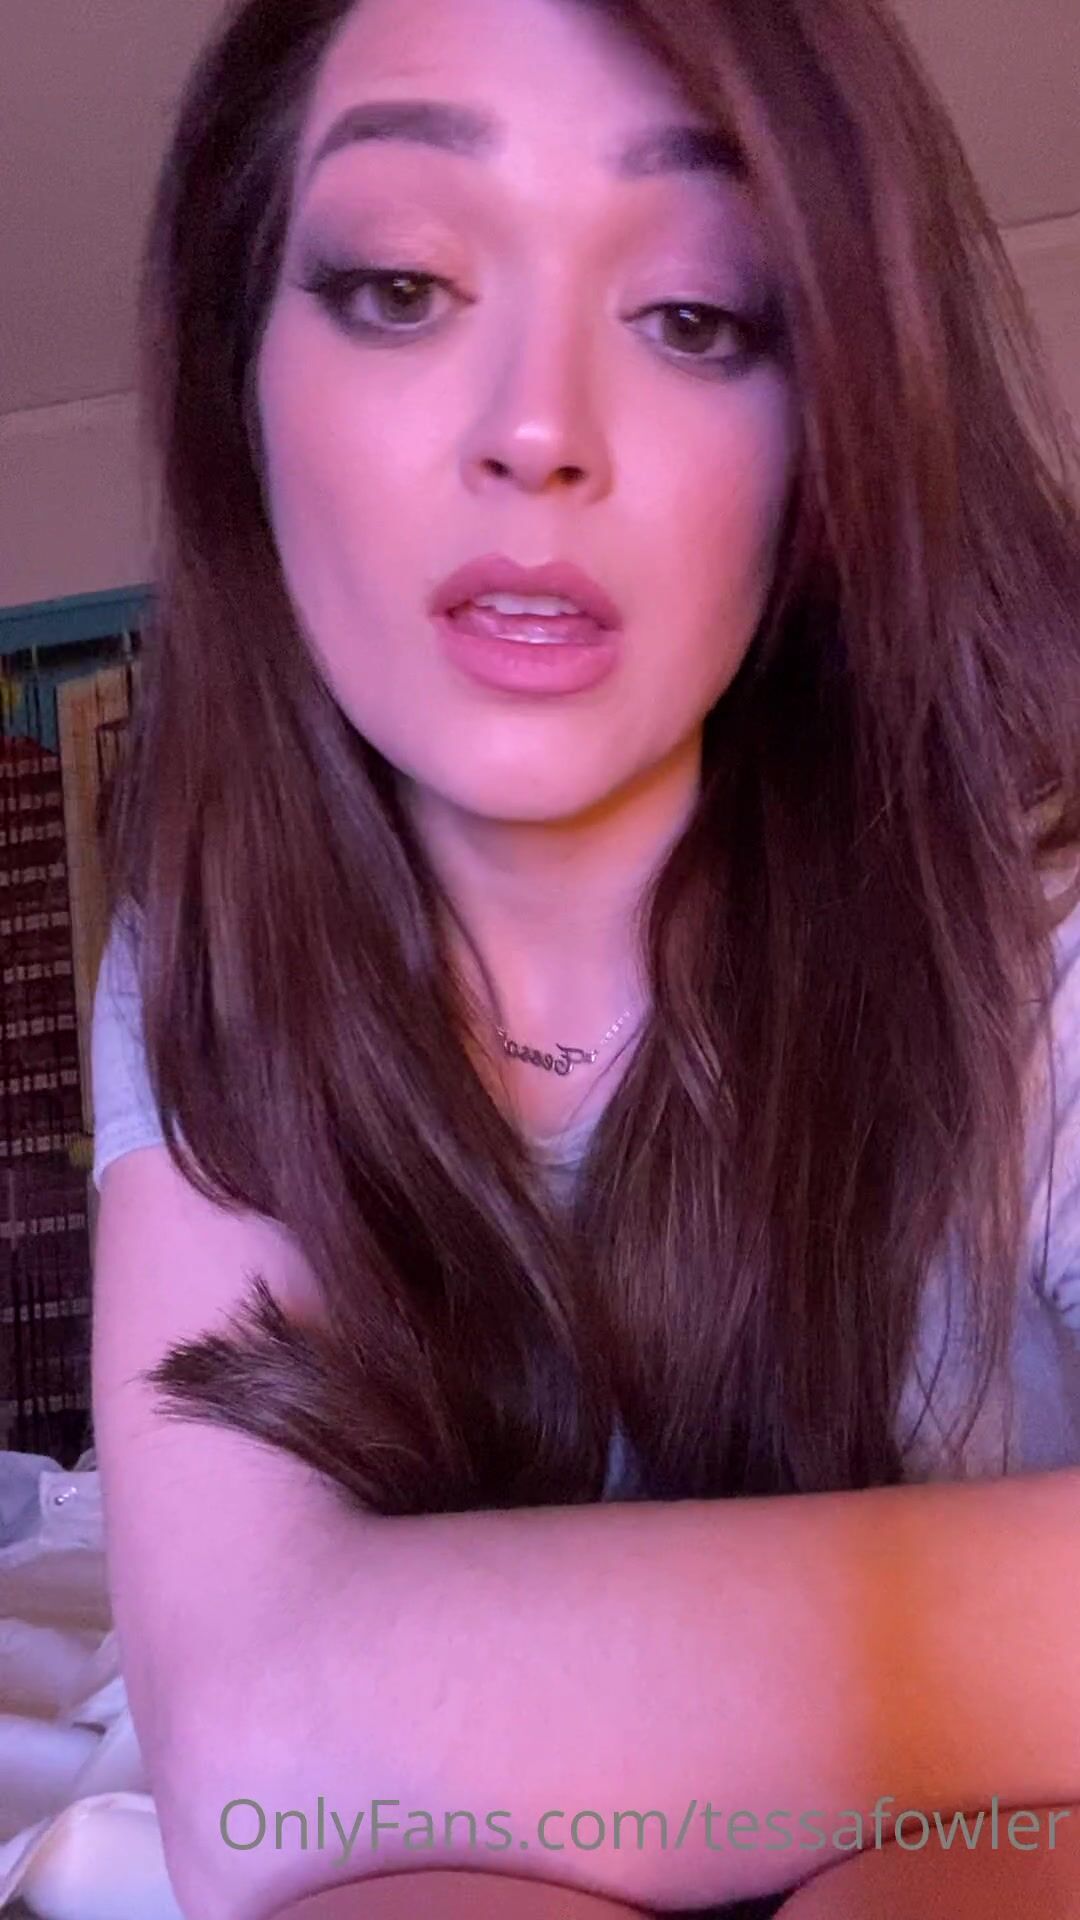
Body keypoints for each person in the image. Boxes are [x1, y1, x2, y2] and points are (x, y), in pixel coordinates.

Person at [89, 0, 1080, 1915]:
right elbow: (256, 1768)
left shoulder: (1033, 900)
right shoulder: (218, 951)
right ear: (236, 383)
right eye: (400, 286)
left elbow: (312, 1727)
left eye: (694, 315)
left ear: (832, 424)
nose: (540, 430)